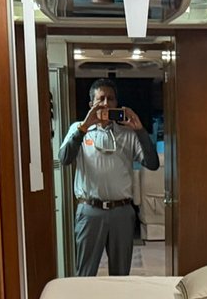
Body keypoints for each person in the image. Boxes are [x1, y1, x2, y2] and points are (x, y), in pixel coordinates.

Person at [58, 78, 160, 276]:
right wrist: (84, 127)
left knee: (121, 275)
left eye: (111, 99)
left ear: (116, 103)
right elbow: (64, 159)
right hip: (90, 211)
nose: (106, 103)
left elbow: (152, 163)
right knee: (85, 274)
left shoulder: (128, 133)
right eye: (101, 99)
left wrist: (140, 130)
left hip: (122, 211)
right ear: (91, 104)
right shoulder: (78, 129)